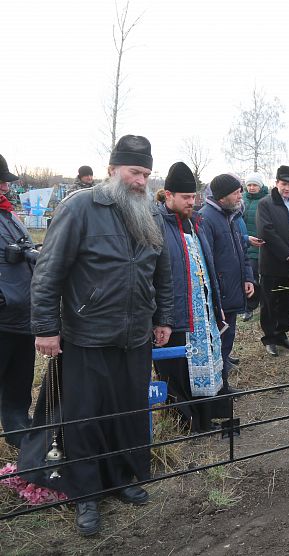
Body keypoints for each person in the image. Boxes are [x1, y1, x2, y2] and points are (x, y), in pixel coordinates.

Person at [18, 135, 174, 536]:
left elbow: (163, 274)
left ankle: (123, 477)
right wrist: (46, 328)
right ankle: (86, 493)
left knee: (128, 413)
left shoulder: (150, 214)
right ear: (112, 170)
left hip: (136, 336)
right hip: (87, 335)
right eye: (134, 172)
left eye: (146, 173)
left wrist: (164, 319)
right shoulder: (80, 208)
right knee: (84, 418)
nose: (141, 181)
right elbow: (48, 271)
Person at [154, 162, 226, 433]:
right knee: (177, 370)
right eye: (185, 198)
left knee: (203, 366)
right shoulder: (157, 224)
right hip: (174, 314)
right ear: (168, 195)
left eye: (193, 196)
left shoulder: (195, 223)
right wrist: (161, 317)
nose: (191, 202)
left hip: (201, 313)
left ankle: (204, 418)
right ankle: (184, 423)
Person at [199, 173, 255, 394]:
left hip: (233, 290)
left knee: (227, 340)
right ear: (222, 197)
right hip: (220, 294)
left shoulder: (228, 216)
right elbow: (207, 261)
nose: (240, 195)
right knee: (218, 344)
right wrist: (215, 296)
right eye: (236, 192)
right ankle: (219, 390)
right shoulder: (207, 218)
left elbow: (241, 252)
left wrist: (248, 277)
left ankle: (223, 386)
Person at [0, 155, 35, 448]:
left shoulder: (10, 216)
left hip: (23, 316)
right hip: (3, 315)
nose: (4, 186)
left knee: (20, 381)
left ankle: (18, 430)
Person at [257, 165, 289, 356]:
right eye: (284, 184)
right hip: (272, 262)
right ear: (276, 183)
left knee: (287, 301)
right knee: (270, 301)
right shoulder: (265, 203)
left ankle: (282, 334)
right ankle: (269, 337)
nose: (287, 188)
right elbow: (267, 231)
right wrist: (287, 253)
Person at [241, 173, 269, 321]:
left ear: (260, 186)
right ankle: (250, 307)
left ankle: (265, 304)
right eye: (249, 185)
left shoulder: (266, 200)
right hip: (248, 245)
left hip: (263, 246)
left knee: (264, 278)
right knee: (251, 277)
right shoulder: (242, 200)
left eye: (255, 185)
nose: (252, 188)